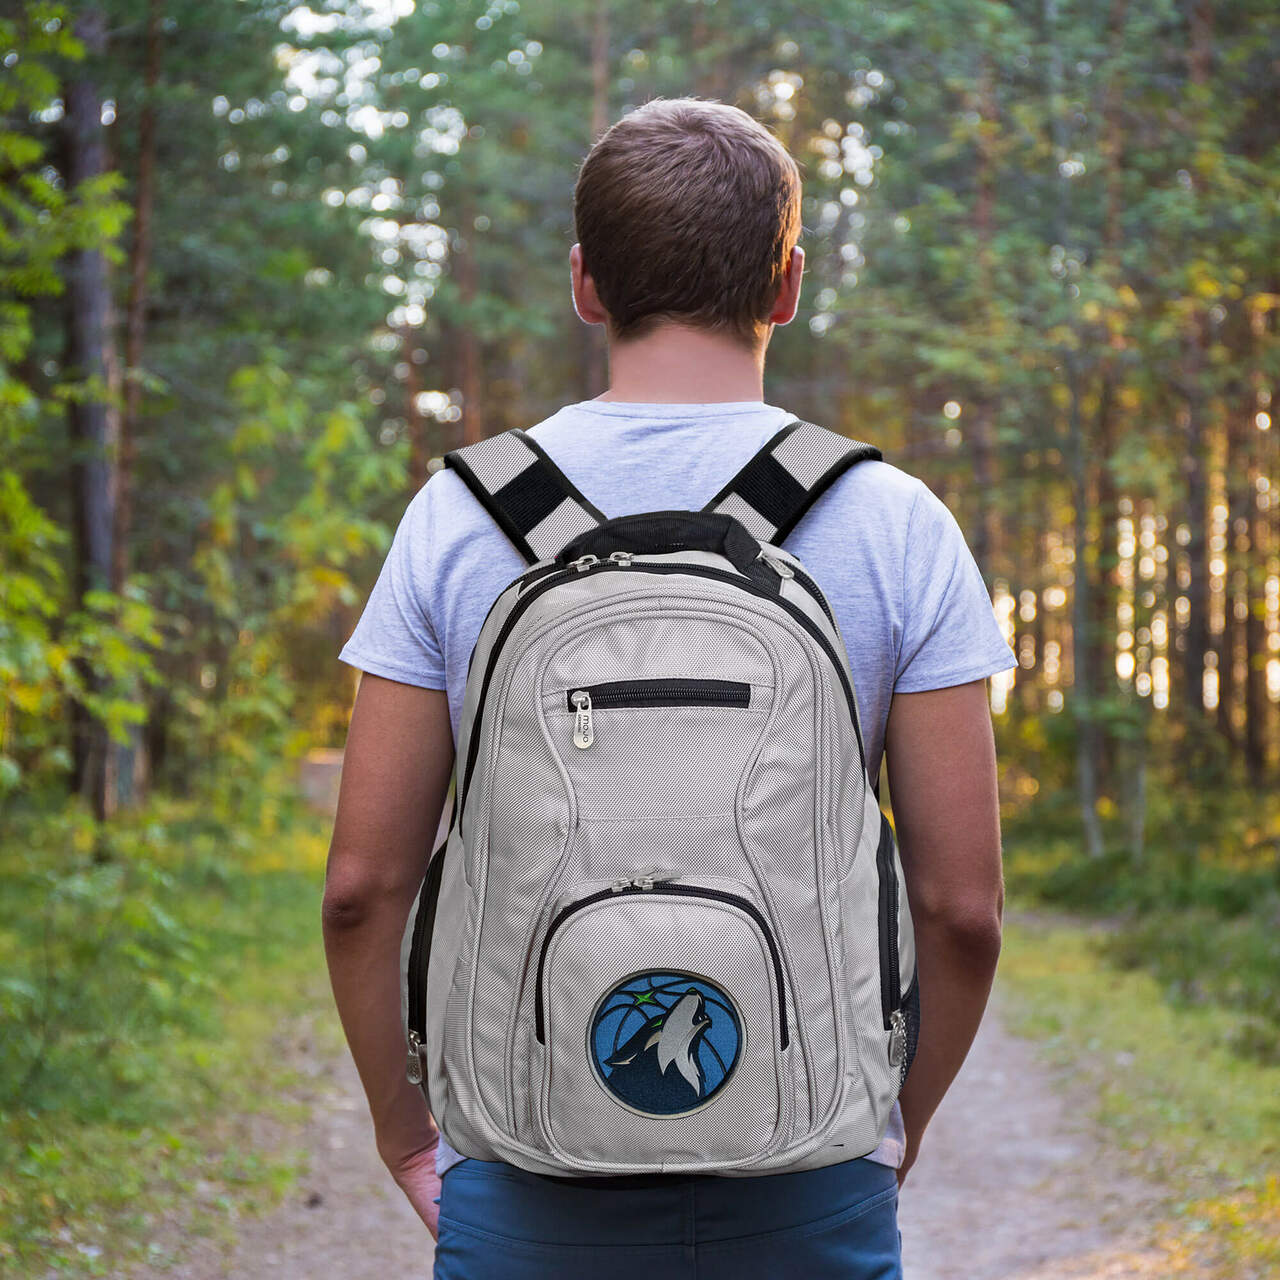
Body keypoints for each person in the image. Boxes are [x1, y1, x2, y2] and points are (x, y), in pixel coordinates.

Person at [324, 97, 1014, 1279]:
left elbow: (360, 887)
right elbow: (963, 909)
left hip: (525, 1181)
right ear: (787, 283)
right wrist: (881, 1135)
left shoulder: (456, 516)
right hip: (808, 1176)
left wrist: (407, 1136)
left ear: (585, 284)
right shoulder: (894, 524)